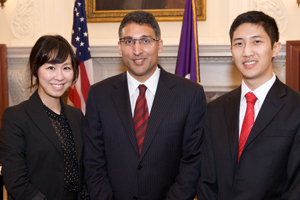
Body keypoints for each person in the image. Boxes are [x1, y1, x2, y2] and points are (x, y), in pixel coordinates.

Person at [83, 11, 206, 200]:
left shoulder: (190, 94)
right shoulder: (99, 95)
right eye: (129, 41)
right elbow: (93, 162)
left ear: (160, 45)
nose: (137, 50)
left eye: (146, 41)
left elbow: (192, 163)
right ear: (119, 47)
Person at [197, 11, 300, 199]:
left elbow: (296, 187)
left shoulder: (296, 108)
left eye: (256, 41)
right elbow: (207, 182)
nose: (246, 52)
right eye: (239, 43)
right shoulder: (215, 110)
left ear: (275, 48)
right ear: (231, 51)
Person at [0, 35, 88, 200]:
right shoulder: (15, 117)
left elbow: (84, 170)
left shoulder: (77, 115)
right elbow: (15, 180)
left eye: (66, 68)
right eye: (51, 68)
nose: (59, 76)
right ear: (35, 68)